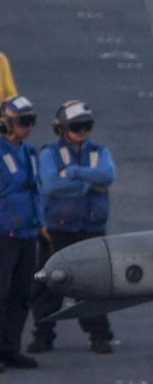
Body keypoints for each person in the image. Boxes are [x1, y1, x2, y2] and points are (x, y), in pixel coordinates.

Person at [31, 100, 115, 353]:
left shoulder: (100, 152)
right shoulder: (49, 154)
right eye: (76, 127)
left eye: (86, 126)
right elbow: (52, 185)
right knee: (48, 285)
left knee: (95, 285)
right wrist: (89, 183)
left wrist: (74, 173)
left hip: (91, 228)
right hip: (58, 229)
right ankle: (43, 335)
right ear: (62, 128)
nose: (82, 132)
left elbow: (108, 175)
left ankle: (99, 335)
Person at [0, 97, 42, 371]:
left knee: (20, 295)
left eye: (31, 121)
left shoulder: (30, 152)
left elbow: (36, 189)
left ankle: (9, 348)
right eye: (23, 121)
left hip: (28, 233)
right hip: (4, 235)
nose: (28, 127)